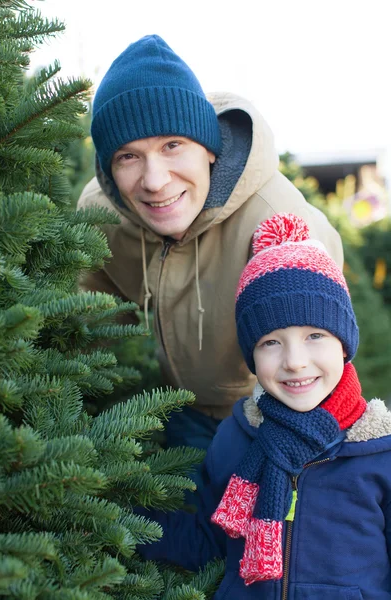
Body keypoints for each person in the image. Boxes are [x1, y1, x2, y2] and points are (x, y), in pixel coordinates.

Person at [77, 34, 343, 455]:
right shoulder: (102, 216)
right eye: (128, 156)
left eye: (172, 145)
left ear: (210, 150)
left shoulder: (275, 217)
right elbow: (84, 324)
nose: (154, 180)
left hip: (272, 411)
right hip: (182, 406)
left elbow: (323, 346)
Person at [138, 213, 391, 599]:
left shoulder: (379, 454)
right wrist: (119, 519)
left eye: (315, 335)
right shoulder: (236, 438)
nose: (294, 361)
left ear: (344, 343)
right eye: (271, 342)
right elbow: (209, 541)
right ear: (251, 355)